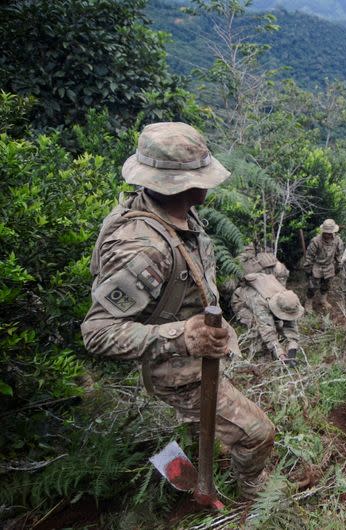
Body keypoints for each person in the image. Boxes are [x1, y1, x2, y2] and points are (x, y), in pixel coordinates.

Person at [81, 122, 274, 499]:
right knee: (258, 433)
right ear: (181, 183)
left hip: (196, 361)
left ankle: (196, 466)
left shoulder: (176, 213)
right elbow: (97, 331)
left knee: (207, 431)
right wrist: (181, 336)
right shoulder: (145, 247)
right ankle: (253, 493)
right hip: (177, 372)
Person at [231, 272, 303, 366]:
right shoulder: (261, 302)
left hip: (261, 303)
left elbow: (291, 325)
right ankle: (262, 354)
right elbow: (267, 329)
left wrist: (292, 351)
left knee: (277, 326)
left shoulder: (287, 299)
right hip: (242, 303)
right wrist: (280, 354)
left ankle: (273, 349)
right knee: (257, 327)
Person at [302, 218, 344, 312]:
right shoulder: (316, 241)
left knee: (326, 285)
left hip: (329, 266)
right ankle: (308, 302)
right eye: (326, 232)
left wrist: (339, 265)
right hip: (317, 266)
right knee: (312, 286)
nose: (328, 234)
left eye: (330, 232)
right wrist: (308, 268)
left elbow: (339, 254)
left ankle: (323, 299)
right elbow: (309, 256)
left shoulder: (337, 241)